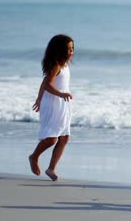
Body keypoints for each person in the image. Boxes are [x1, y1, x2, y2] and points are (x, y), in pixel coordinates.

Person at [28, 34, 74, 181]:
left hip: (63, 104)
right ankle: (34, 156)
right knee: (52, 139)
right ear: (59, 50)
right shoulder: (56, 66)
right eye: (68, 49)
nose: (71, 51)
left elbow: (44, 82)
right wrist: (44, 97)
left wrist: (39, 97)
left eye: (72, 48)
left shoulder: (65, 65)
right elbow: (47, 84)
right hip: (53, 104)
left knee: (65, 137)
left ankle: (51, 168)